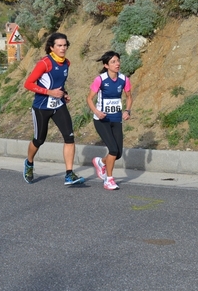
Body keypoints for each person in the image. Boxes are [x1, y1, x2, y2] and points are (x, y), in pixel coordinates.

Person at [22, 32, 85, 186]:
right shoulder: (45, 63)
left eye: (65, 45)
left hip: (58, 105)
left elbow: (59, 84)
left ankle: (69, 174)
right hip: (42, 107)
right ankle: (29, 163)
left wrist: (64, 94)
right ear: (52, 47)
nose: (63, 48)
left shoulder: (66, 63)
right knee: (39, 140)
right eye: (59, 45)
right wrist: (49, 92)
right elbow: (28, 84)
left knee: (69, 137)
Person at [86, 51, 133, 190]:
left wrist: (127, 110)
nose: (117, 64)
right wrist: (96, 111)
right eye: (113, 62)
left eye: (118, 61)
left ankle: (101, 162)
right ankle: (109, 179)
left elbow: (129, 97)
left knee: (117, 153)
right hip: (102, 120)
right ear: (106, 65)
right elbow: (89, 98)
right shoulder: (100, 79)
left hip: (116, 119)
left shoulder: (124, 79)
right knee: (112, 149)